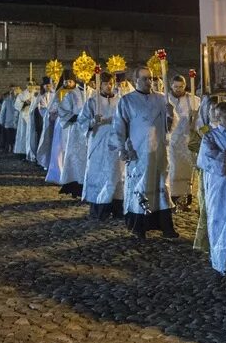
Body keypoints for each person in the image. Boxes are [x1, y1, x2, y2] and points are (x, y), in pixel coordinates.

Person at [115, 66, 178, 239]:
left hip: (158, 151)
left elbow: (169, 126)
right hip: (138, 151)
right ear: (135, 80)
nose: (149, 81)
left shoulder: (161, 99)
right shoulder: (126, 101)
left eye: (150, 78)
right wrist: (122, 148)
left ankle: (166, 226)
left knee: (161, 185)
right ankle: (139, 226)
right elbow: (119, 126)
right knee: (140, 186)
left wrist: (170, 116)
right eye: (144, 78)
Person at [197, 101, 226, 275]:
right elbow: (205, 158)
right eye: (225, 116)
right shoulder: (210, 136)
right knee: (219, 218)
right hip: (219, 184)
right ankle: (221, 259)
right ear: (218, 117)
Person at [80, 73, 124, 219]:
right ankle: (99, 209)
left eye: (111, 83)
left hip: (116, 142)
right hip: (98, 142)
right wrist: (93, 121)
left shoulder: (120, 101)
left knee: (116, 173)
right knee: (99, 173)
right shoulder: (92, 101)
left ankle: (118, 208)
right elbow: (81, 122)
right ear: (100, 85)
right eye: (105, 84)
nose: (108, 86)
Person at [166, 74, 201, 210]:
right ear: (171, 86)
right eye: (176, 87)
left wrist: (195, 118)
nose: (178, 89)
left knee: (186, 170)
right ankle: (171, 199)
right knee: (172, 170)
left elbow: (199, 122)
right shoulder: (165, 99)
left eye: (181, 87)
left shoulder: (194, 100)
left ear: (185, 85)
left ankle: (184, 199)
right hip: (171, 141)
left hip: (186, 141)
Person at [55, 79, 87, 197]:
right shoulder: (72, 93)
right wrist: (75, 117)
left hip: (92, 131)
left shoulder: (95, 93)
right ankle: (76, 187)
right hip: (77, 131)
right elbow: (62, 109)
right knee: (75, 159)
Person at [13, 86, 36, 158]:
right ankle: (22, 152)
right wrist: (25, 103)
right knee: (23, 133)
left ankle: (32, 152)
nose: (31, 86)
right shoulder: (21, 95)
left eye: (32, 84)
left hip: (33, 116)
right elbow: (17, 105)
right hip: (23, 117)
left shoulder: (36, 93)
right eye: (29, 84)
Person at [0, 86, 19, 152]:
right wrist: (2, 121)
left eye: (14, 93)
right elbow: (2, 111)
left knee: (15, 135)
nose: (13, 94)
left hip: (16, 121)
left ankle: (14, 146)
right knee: (8, 136)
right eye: (11, 93)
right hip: (8, 121)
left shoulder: (18, 100)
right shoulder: (6, 101)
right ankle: (10, 146)